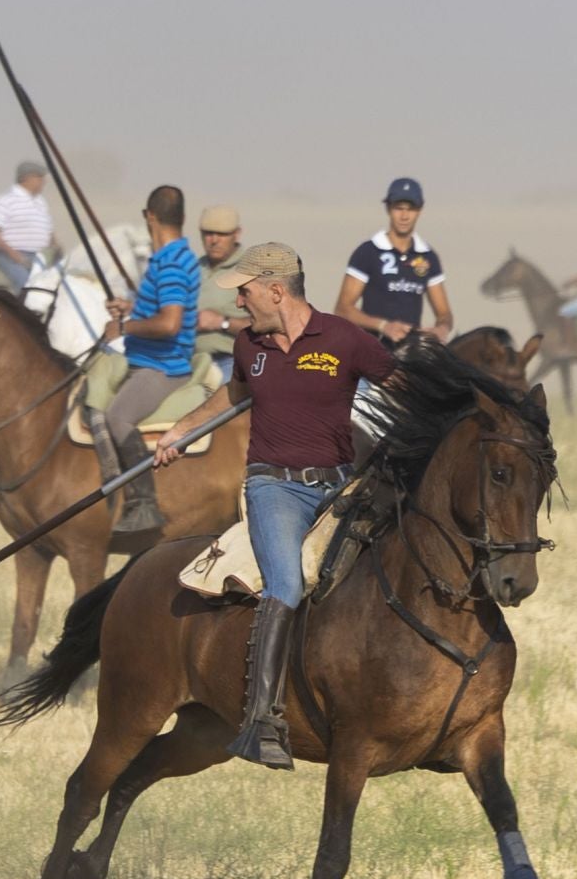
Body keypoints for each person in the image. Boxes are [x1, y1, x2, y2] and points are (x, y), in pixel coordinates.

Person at [154, 242, 395, 768]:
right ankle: (262, 720)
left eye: (245, 290)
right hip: (273, 488)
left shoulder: (344, 339)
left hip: (339, 487)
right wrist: (181, 429)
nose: (240, 301)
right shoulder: (248, 345)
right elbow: (234, 394)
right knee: (285, 584)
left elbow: (398, 383)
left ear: (276, 290)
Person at [87, 185, 199, 549]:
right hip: (144, 358)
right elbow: (160, 309)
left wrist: (123, 327)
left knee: (117, 418)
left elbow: (169, 323)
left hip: (162, 366)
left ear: (150, 217)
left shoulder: (170, 264)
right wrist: (130, 307)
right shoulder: (171, 258)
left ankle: (143, 504)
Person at [334, 177, 452, 344]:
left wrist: (442, 329)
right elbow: (343, 309)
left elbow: (444, 313)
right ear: (388, 208)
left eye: (410, 209)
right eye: (398, 208)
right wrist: (383, 326)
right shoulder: (368, 252)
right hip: (372, 348)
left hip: (411, 352)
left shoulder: (427, 256)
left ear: (420, 210)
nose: (404, 216)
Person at [194, 205, 249, 384]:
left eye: (222, 234)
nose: (214, 240)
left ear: (237, 234)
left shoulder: (250, 271)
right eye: (208, 233)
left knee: (213, 406)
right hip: (188, 360)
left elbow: (269, 327)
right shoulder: (193, 268)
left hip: (229, 361)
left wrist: (222, 322)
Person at [0, 161, 54, 294]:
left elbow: (49, 231)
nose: (43, 182)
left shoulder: (41, 202)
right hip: (12, 258)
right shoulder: (6, 200)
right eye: (39, 177)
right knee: (28, 287)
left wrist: (55, 248)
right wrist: (13, 254)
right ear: (26, 178)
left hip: (40, 258)